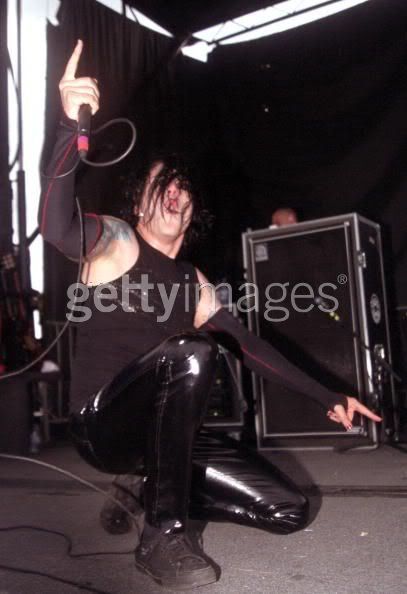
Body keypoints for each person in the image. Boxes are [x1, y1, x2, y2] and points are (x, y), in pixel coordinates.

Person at [38, 40, 382, 591]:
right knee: (192, 353)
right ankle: (162, 537)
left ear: (193, 211)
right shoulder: (117, 241)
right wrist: (67, 126)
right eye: (162, 186)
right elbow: (56, 227)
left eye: (183, 189)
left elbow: (250, 347)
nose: (174, 194)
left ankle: (149, 488)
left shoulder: (193, 281)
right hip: (102, 424)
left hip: (161, 437)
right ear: (139, 202)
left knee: (287, 510)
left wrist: (329, 397)